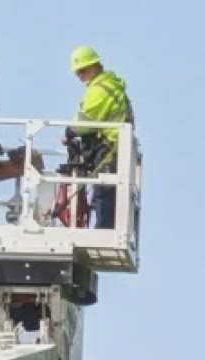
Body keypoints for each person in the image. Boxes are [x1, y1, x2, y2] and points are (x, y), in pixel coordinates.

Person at [67, 47, 134, 229]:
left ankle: (104, 229)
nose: (80, 76)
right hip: (114, 147)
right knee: (105, 192)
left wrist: (69, 133)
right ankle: (106, 227)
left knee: (103, 192)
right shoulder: (110, 86)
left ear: (95, 66)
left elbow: (86, 121)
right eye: (77, 72)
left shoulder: (100, 90)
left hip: (109, 148)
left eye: (83, 70)